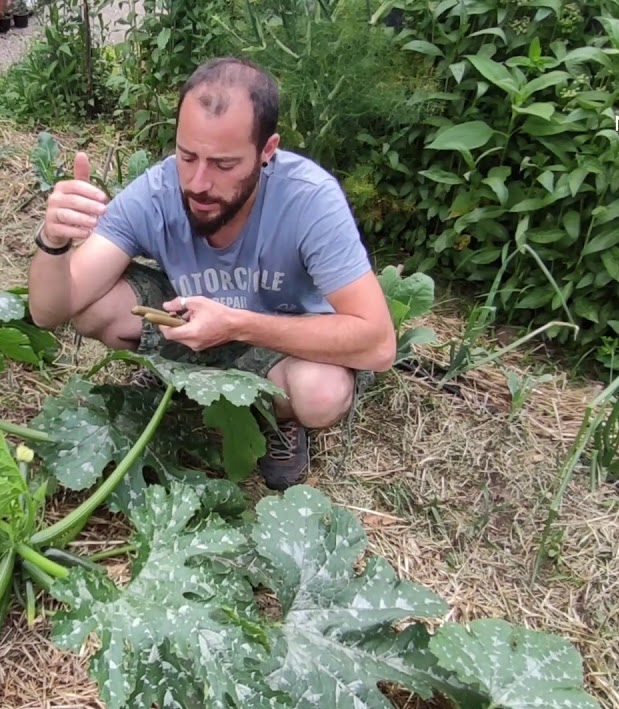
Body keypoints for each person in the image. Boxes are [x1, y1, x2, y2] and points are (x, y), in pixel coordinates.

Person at [26, 57, 396, 490]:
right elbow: (50, 311)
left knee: (320, 396)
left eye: (223, 164)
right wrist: (53, 240)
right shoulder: (157, 192)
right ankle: (185, 382)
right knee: (94, 310)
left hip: (284, 342)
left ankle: (278, 417)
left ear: (267, 151)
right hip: (190, 321)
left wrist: (237, 325)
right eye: (187, 156)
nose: (198, 182)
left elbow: (379, 345)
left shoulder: (309, 200)